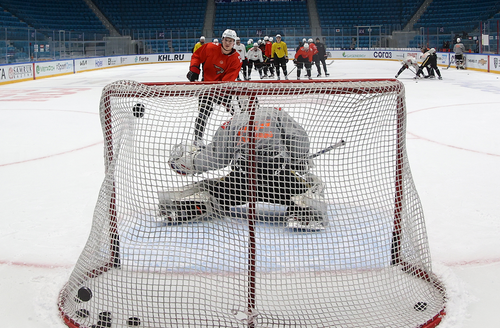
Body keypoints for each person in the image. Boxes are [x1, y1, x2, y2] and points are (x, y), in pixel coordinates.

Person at [162, 99, 328, 231]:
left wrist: (192, 163)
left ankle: (189, 203)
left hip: (242, 182)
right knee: (313, 183)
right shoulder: (276, 113)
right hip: (280, 181)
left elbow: (216, 157)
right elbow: (298, 139)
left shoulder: (230, 124)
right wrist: (299, 160)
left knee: (210, 187)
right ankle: (303, 209)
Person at [186, 29, 243, 143]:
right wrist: (194, 69)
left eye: (231, 41)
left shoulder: (236, 59)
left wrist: (223, 94)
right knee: (203, 112)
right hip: (206, 86)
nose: (228, 43)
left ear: (234, 43)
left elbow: (229, 78)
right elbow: (196, 56)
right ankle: (198, 140)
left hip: (224, 88)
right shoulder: (210, 48)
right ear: (222, 40)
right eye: (226, 40)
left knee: (237, 113)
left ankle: (244, 136)